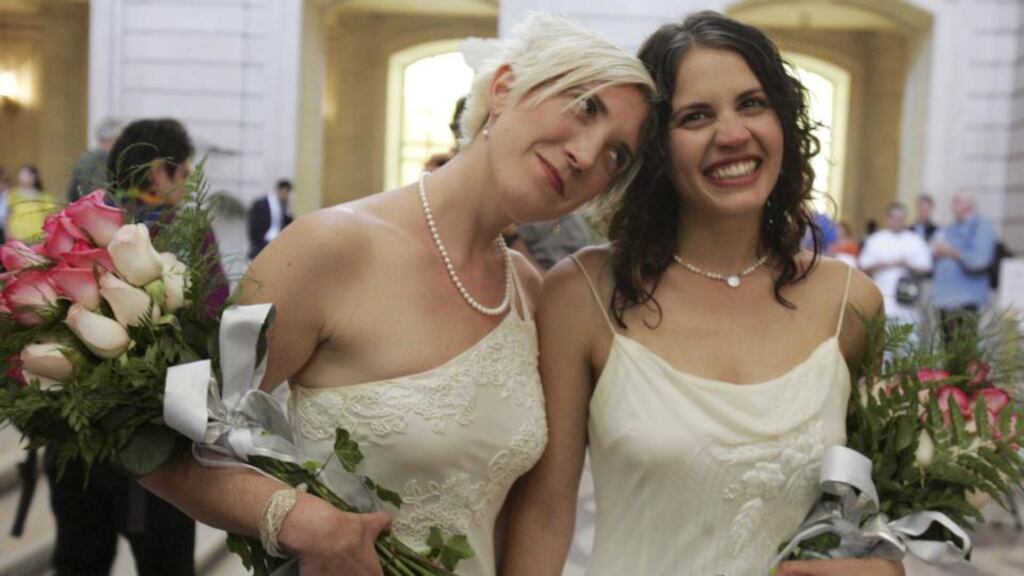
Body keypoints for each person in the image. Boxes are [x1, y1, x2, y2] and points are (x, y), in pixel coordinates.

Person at [138, 13, 655, 576]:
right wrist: (297, 519)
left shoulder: (529, 294)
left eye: (616, 156)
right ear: (504, 88)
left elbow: (527, 513)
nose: (586, 154)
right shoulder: (328, 249)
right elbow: (171, 434)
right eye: (584, 106)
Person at [502, 12, 899, 576]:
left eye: (752, 104)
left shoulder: (851, 304)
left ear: (784, 120)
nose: (733, 134)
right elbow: (542, 512)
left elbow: (876, 496)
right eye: (696, 116)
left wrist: (886, 564)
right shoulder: (582, 294)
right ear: (657, 148)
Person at [44, 118, 225, 576]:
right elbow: (212, 321)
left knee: (78, 562)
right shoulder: (182, 233)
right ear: (161, 170)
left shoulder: (75, 231)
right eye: (183, 172)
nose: (185, 184)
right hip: (156, 443)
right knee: (166, 566)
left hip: (78, 439)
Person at [931, 192, 997, 341]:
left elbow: (980, 260)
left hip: (966, 300)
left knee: (964, 350)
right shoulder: (950, 228)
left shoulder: (982, 226)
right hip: (944, 300)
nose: (952, 206)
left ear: (968, 204)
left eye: (956, 202)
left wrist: (950, 252)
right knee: (947, 350)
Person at [858, 202, 932, 324]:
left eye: (901, 218)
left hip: (907, 302)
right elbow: (862, 267)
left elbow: (926, 269)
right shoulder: (875, 239)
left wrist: (906, 264)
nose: (897, 221)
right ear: (887, 218)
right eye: (894, 217)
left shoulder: (916, 240)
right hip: (881, 298)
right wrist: (882, 264)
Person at [66, 117, 121, 202]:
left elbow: (72, 194)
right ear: (113, 139)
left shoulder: (84, 159)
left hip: (84, 211)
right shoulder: (111, 161)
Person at [5, 164, 58, 242]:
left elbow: (50, 218)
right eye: (20, 175)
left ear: (34, 177)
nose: (21, 177)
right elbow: (7, 216)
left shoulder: (45, 197)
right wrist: (8, 234)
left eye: (24, 175)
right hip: (16, 240)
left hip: (37, 240)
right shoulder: (13, 195)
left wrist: (47, 236)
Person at [247, 178, 294, 259]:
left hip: (277, 245)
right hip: (262, 245)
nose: (285, 195)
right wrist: (256, 245)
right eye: (285, 191)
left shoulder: (283, 207)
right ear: (279, 190)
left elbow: (288, 226)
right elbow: (253, 226)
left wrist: (287, 209)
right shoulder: (261, 204)